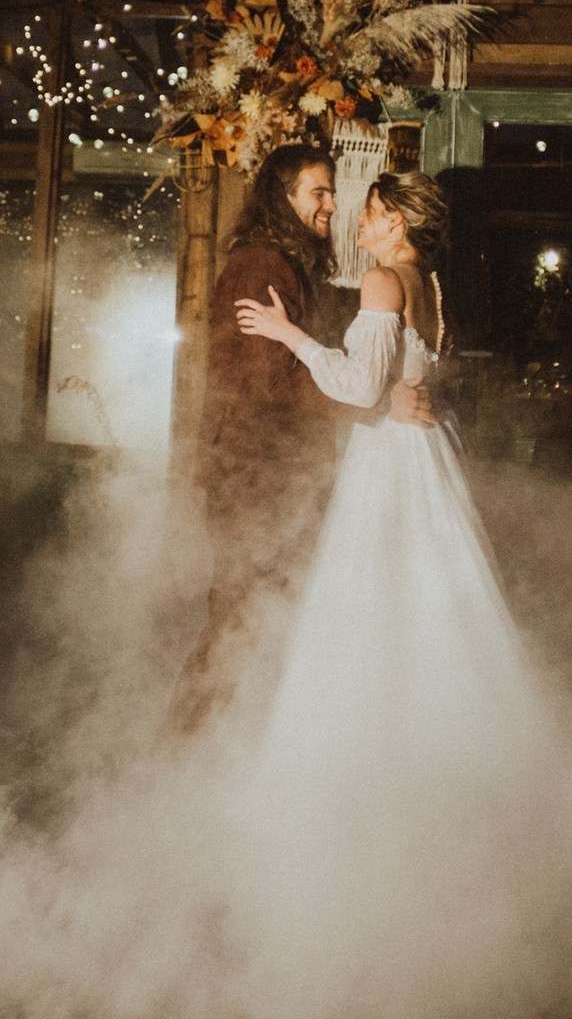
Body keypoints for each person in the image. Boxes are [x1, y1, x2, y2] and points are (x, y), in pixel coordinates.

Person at [226, 168, 556, 1019]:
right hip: (429, 460)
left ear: (400, 222)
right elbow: (416, 380)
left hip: (390, 471)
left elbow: (358, 389)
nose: (360, 226)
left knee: (370, 621)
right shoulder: (430, 284)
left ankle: (357, 825)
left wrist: (291, 333)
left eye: (371, 214)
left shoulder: (383, 278)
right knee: (431, 624)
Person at [164, 144, 432, 738]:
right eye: (320, 192)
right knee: (238, 622)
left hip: (278, 478)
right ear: (281, 198)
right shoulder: (259, 265)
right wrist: (377, 404)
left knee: (273, 619)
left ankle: (240, 749)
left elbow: (323, 331)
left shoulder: (287, 264)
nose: (333, 205)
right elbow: (267, 380)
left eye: (334, 193)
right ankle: (178, 752)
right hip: (252, 478)